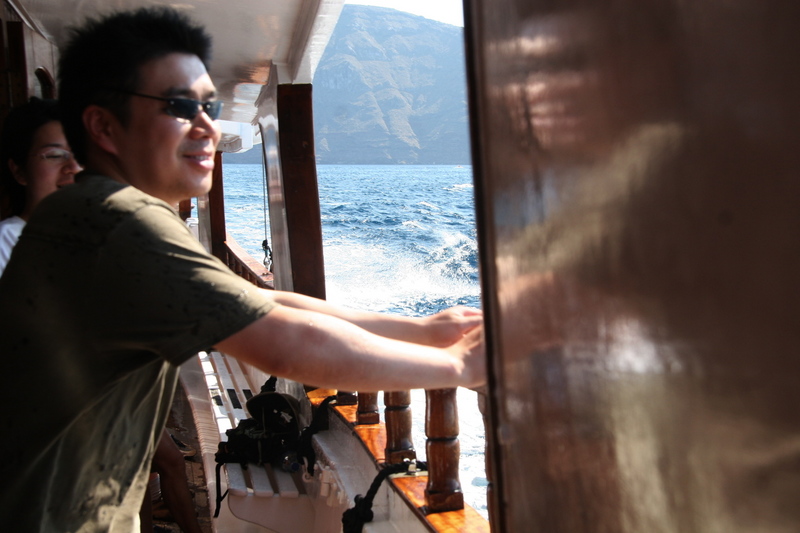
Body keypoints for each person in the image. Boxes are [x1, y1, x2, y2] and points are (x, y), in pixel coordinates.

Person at [0, 7, 484, 532]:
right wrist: (458, 365)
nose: (207, 128)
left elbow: (268, 302)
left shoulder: (88, 214)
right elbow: (287, 344)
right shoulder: (116, 222)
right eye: (181, 107)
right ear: (104, 126)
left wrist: (422, 331)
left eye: (208, 107)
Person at [0, 97, 81, 276]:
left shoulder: (107, 237)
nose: (74, 167)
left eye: (81, 154)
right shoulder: (5, 244)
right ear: (19, 172)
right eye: (55, 155)